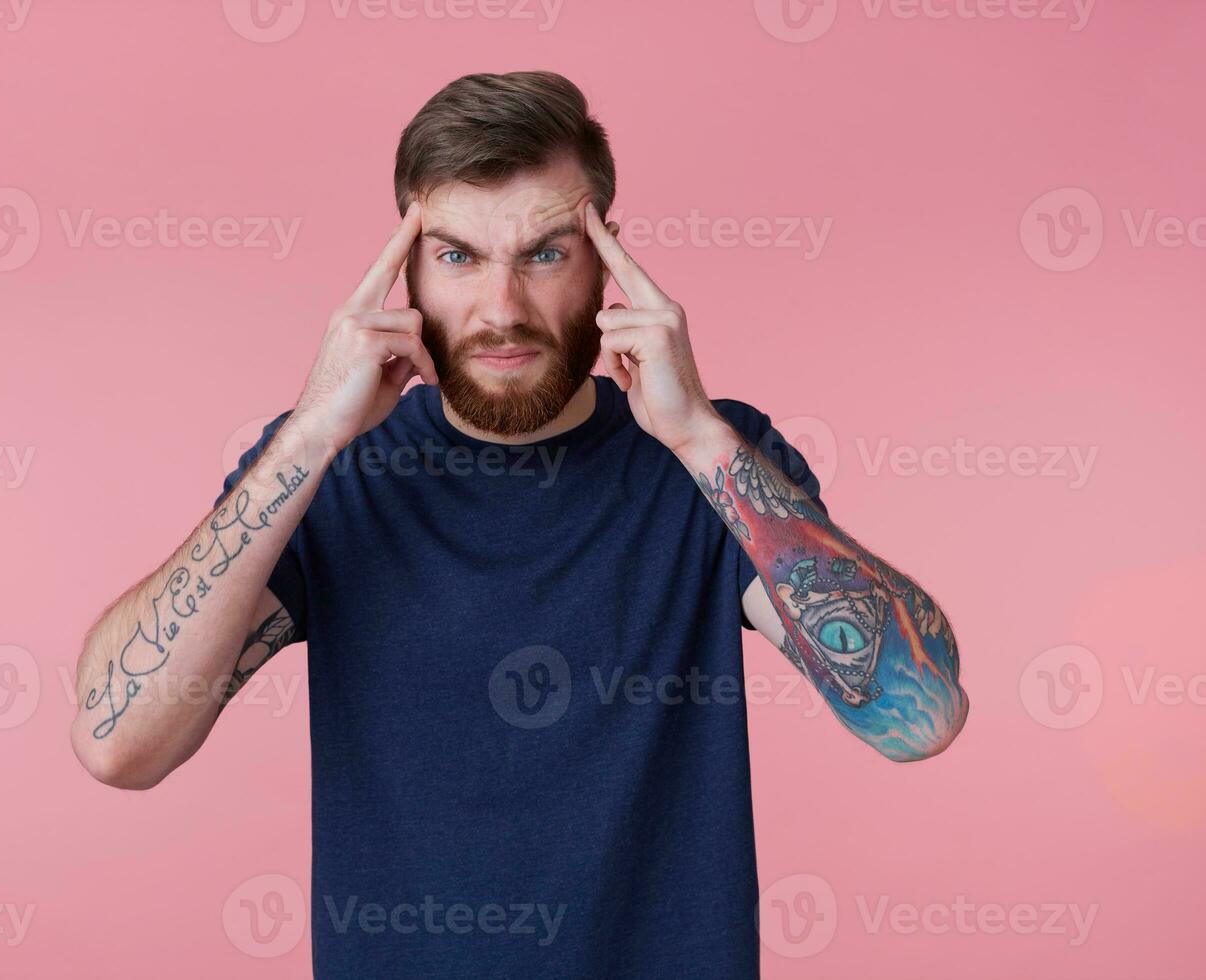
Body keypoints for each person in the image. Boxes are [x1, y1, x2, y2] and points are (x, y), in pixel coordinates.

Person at [70, 70, 968, 979]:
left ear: (609, 260)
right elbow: (119, 742)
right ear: (405, 269)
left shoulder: (716, 464)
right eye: (457, 256)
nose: (501, 309)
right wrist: (309, 434)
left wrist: (697, 434)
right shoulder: (327, 473)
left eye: (545, 253)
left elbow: (918, 715)